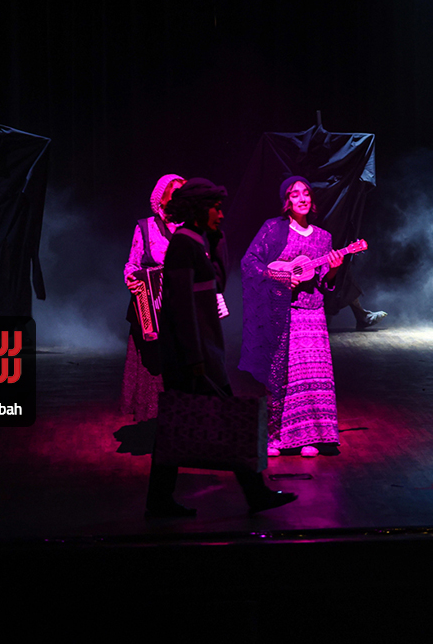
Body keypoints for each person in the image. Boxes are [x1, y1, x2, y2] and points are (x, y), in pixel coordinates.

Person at [145, 178, 296, 518]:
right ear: (199, 209)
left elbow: (218, 283)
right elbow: (180, 306)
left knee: (183, 424)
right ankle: (253, 494)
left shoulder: (199, 240)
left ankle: (162, 500)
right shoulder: (182, 244)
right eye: (215, 208)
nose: (221, 214)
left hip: (203, 349)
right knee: (193, 423)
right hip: (192, 354)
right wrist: (194, 357)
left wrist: (217, 239)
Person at [240, 177, 344, 457]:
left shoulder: (323, 237)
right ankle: (276, 437)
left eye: (306, 193)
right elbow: (250, 263)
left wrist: (333, 270)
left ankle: (309, 436)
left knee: (311, 377)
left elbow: (323, 282)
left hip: (313, 314)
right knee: (282, 375)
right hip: (282, 313)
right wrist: (280, 276)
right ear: (286, 201)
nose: (302, 198)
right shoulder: (273, 229)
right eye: (294, 194)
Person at [121, 173, 183, 421]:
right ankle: (152, 419)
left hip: (180, 304)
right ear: (162, 198)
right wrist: (131, 279)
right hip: (150, 304)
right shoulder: (145, 227)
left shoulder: (191, 227)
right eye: (175, 193)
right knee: (153, 364)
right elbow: (132, 264)